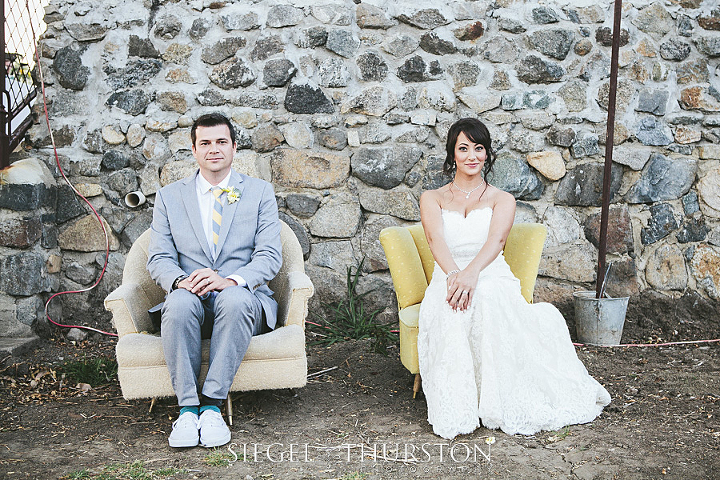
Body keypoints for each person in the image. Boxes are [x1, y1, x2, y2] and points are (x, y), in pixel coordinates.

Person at [417, 118, 611, 439]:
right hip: (448, 271)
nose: (471, 156)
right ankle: (462, 402)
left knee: (488, 295)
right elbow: (435, 239)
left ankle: (494, 396)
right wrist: (455, 275)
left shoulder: (501, 199)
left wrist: (472, 275)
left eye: (479, 148)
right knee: (450, 307)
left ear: (487, 154)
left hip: (489, 270)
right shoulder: (432, 197)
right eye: (463, 148)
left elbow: (496, 242)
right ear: (452, 154)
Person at [147, 112, 282, 448]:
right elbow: (159, 257)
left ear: (234, 148)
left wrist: (231, 280)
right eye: (205, 143)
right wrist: (180, 282)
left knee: (235, 299)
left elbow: (270, 255)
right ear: (194, 150)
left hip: (239, 302)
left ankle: (212, 407)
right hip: (190, 300)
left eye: (221, 141)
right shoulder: (169, 197)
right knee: (177, 303)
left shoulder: (260, 192)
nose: (213, 149)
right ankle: (187, 411)